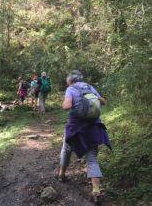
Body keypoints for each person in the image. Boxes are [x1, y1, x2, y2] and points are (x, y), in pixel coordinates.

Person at [55, 70, 111, 206]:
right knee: (91, 156)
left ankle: (61, 174)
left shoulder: (70, 89)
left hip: (76, 128)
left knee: (66, 149)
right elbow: (102, 101)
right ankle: (96, 191)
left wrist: (65, 104)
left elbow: (67, 106)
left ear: (70, 81)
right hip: (93, 126)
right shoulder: (89, 87)